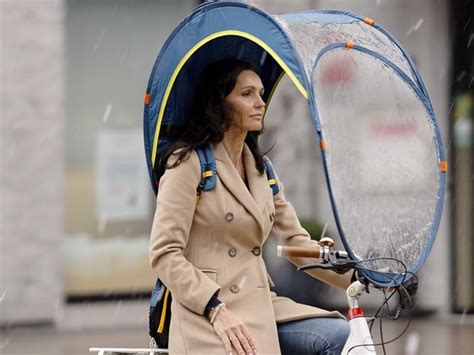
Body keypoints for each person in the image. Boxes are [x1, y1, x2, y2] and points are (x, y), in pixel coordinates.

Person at [149, 58, 351, 355]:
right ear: (219, 103)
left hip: (261, 305)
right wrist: (216, 309)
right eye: (247, 94)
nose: (260, 103)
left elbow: (296, 243)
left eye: (261, 93)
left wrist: (361, 276)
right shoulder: (188, 163)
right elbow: (164, 254)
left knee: (340, 336)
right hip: (207, 313)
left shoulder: (261, 168)